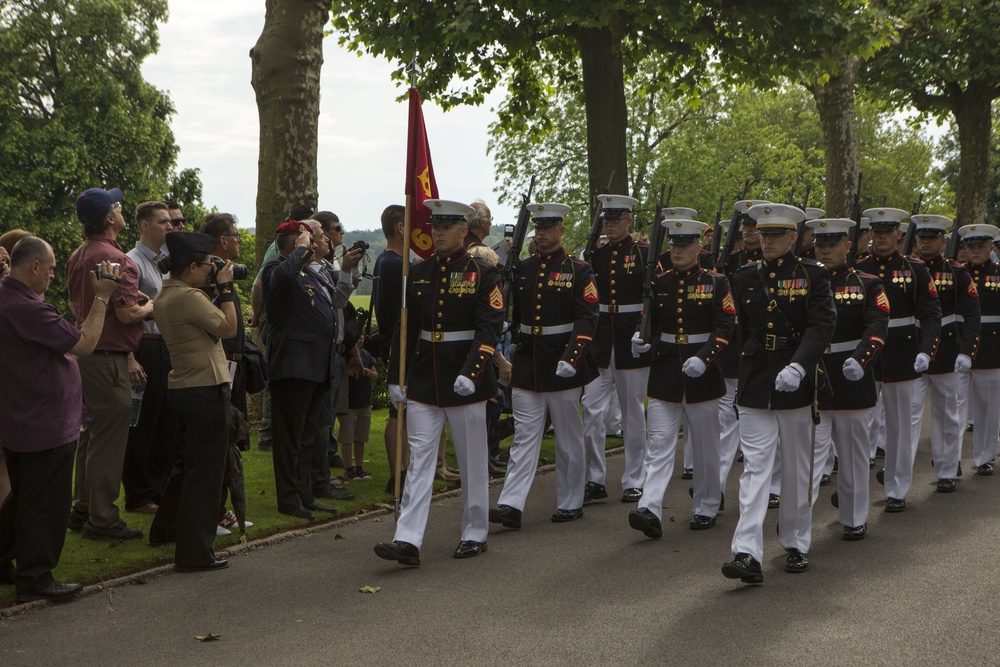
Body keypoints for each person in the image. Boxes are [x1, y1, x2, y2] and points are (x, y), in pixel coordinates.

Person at [374, 200, 503, 566]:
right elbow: (407, 328)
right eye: (435, 227)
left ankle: (475, 531)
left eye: (447, 227)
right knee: (419, 462)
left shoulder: (483, 272)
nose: (438, 233)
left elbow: (489, 327)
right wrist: (396, 376)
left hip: (467, 379)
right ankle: (407, 539)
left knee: (472, 460)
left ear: (464, 230)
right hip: (426, 378)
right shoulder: (419, 272)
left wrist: (472, 370)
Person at [0, 238, 119, 603]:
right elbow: (84, 343)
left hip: (22, 417)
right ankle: (35, 577)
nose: (53, 275)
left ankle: (6, 563)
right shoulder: (25, 307)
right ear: (34, 266)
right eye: (50, 268)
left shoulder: (8, 297)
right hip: (43, 422)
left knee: (21, 499)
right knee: (45, 505)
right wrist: (102, 296)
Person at [722, 203, 835, 584]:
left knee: (796, 469)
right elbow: (739, 326)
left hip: (795, 381)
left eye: (774, 235)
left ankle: (796, 542)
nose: (766, 241)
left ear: (792, 237)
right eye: (762, 234)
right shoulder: (745, 276)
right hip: (756, 381)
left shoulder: (812, 275)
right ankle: (746, 552)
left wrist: (800, 366)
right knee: (755, 469)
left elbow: (822, 326)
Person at [490, 202, 599, 529]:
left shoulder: (580, 270)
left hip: (562, 361)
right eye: (538, 228)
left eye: (548, 228)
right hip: (529, 361)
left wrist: (572, 357)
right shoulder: (522, 268)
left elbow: (587, 318)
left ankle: (570, 501)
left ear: (561, 230)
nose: (542, 233)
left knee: (568, 436)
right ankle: (510, 503)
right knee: (524, 437)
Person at [628, 219, 735, 539]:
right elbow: (651, 323)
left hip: (703, 375)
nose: (677, 251)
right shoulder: (659, 283)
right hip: (666, 374)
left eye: (684, 245)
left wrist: (704, 359)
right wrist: (641, 337)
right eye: (673, 245)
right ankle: (649, 507)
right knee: (659, 444)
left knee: (704, 447)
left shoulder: (717, 282)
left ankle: (706, 504)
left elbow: (724, 328)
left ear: (698, 249)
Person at [65, 187, 153, 541]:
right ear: (110, 218)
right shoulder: (116, 258)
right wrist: (152, 306)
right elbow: (126, 312)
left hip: (85, 355)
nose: (121, 211)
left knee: (91, 434)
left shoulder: (79, 254)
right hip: (107, 358)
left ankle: (83, 506)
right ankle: (102, 519)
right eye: (117, 207)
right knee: (108, 440)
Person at [148, 232, 239, 572]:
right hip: (206, 389)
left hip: (184, 388)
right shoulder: (189, 297)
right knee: (206, 476)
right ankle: (195, 553)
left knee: (189, 468)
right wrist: (227, 288)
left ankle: (168, 530)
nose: (210, 271)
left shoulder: (166, 295)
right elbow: (228, 328)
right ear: (191, 266)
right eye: (206, 266)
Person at [808, 218, 889, 541]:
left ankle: (854, 516)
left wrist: (862, 357)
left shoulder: (868, 283)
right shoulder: (804, 282)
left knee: (854, 455)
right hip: (813, 377)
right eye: (820, 245)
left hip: (851, 376)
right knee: (808, 458)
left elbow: (877, 325)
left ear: (847, 246)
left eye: (832, 245)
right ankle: (798, 522)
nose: (825, 251)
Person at [857, 207, 941, 513]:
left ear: (898, 235)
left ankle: (897, 488)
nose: (880, 237)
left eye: (886, 232)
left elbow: (931, 314)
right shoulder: (859, 268)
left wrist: (926, 350)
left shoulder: (916, 269)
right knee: (860, 426)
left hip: (902, 352)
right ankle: (855, 492)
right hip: (865, 356)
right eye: (875, 232)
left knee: (899, 427)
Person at [262, 220, 339, 520]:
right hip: (294, 365)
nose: (321, 243)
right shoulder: (276, 269)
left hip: (315, 365)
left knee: (307, 436)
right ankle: (289, 498)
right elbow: (281, 277)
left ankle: (305, 493)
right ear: (297, 243)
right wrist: (301, 249)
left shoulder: (307, 272)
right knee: (290, 438)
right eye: (315, 238)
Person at [580, 194, 651, 505]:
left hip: (630, 338)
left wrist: (644, 332)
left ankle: (635, 478)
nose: (609, 225)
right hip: (601, 339)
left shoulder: (644, 253)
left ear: (629, 221)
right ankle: (595, 477)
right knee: (592, 410)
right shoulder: (597, 254)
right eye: (606, 220)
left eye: (615, 220)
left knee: (633, 414)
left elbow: (652, 300)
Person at [909, 215, 980, 493]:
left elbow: (972, 315)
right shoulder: (907, 269)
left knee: (947, 413)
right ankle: (897, 466)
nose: (925, 242)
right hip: (911, 347)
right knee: (908, 413)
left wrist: (967, 351)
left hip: (947, 349)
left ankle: (947, 468)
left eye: (931, 238)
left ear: (943, 241)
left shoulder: (956, 272)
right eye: (922, 238)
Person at [199, 212, 257, 532]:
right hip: (219, 365)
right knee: (219, 441)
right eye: (235, 235)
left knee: (231, 440)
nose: (238, 240)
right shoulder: (210, 276)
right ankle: (215, 510)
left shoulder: (225, 273)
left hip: (233, 364)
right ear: (222, 240)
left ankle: (222, 508)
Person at [123, 200, 173, 514]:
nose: (170, 226)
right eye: (163, 222)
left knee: (165, 422)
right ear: (144, 225)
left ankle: (158, 489)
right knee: (142, 424)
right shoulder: (133, 263)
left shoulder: (167, 261)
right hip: (146, 345)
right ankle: (137, 495)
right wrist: (130, 356)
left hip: (167, 346)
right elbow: (124, 315)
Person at [373, 204, 410, 493]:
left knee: (405, 411)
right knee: (398, 410)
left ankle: (405, 471)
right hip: (400, 344)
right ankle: (397, 474)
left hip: (396, 342)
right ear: (400, 227)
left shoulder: (386, 262)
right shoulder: (396, 264)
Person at [961, 224, 1000, 475]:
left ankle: (984, 456)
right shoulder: (956, 273)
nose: (976, 251)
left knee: (988, 406)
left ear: (991, 247)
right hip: (958, 344)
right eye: (971, 247)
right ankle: (949, 459)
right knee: (952, 408)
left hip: (991, 345)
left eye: (981, 246)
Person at [341, 337, 377, 480]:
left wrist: (368, 372)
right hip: (350, 405)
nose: (360, 339)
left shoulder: (366, 355)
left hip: (364, 404)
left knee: (360, 438)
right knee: (347, 438)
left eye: (362, 335)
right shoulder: (346, 357)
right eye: (357, 337)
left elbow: (376, 375)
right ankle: (348, 469)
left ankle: (359, 467)